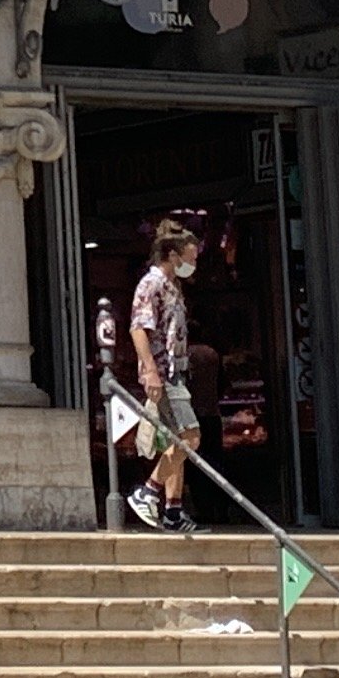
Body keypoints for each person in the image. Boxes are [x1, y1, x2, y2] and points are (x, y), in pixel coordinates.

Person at [124, 219, 203, 534]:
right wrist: (151, 371)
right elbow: (138, 328)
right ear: (173, 255)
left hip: (176, 371)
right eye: (190, 257)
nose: (193, 263)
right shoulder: (152, 283)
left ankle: (172, 510)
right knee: (190, 437)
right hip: (165, 373)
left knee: (175, 441)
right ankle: (148, 491)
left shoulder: (173, 286)